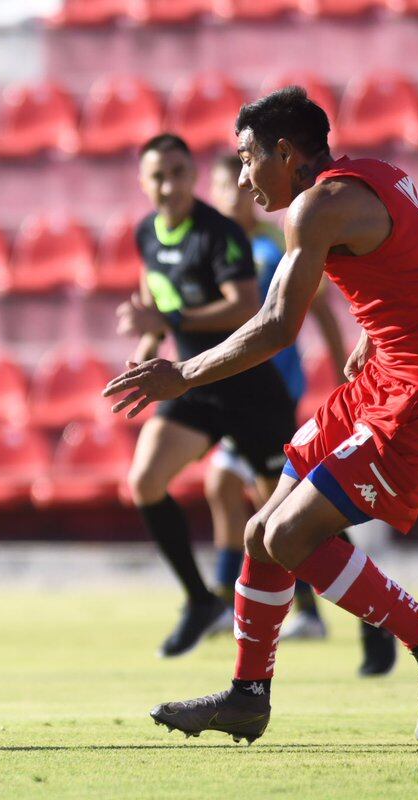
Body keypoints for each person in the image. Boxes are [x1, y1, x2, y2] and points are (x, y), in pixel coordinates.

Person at [105, 88, 418, 744]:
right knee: (261, 533)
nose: (244, 176)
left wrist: (181, 375)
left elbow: (278, 325)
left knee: (288, 538)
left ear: (285, 152)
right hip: (380, 384)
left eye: (248, 158)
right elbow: (417, 260)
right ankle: (249, 697)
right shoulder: (375, 178)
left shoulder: (315, 208)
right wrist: (376, 329)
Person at [205, 154, 398, 676]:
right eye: (226, 184)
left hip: (272, 394)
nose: (237, 192)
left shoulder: (275, 244)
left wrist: (341, 367)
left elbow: (307, 309)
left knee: (288, 514)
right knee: (233, 491)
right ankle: (243, 604)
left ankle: (368, 616)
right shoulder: (213, 249)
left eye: (242, 182)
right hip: (227, 398)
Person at [117, 134, 298, 658]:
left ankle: (372, 622)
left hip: (247, 385)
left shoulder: (219, 233)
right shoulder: (145, 234)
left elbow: (244, 307)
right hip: (191, 381)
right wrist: (149, 347)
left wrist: (168, 322)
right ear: (142, 181)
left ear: (193, 176)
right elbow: (155, 297)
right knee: (145, 480)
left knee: (289, 519)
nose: (168, 184)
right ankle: (201, 601)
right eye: (157, 175)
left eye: (178, 172)